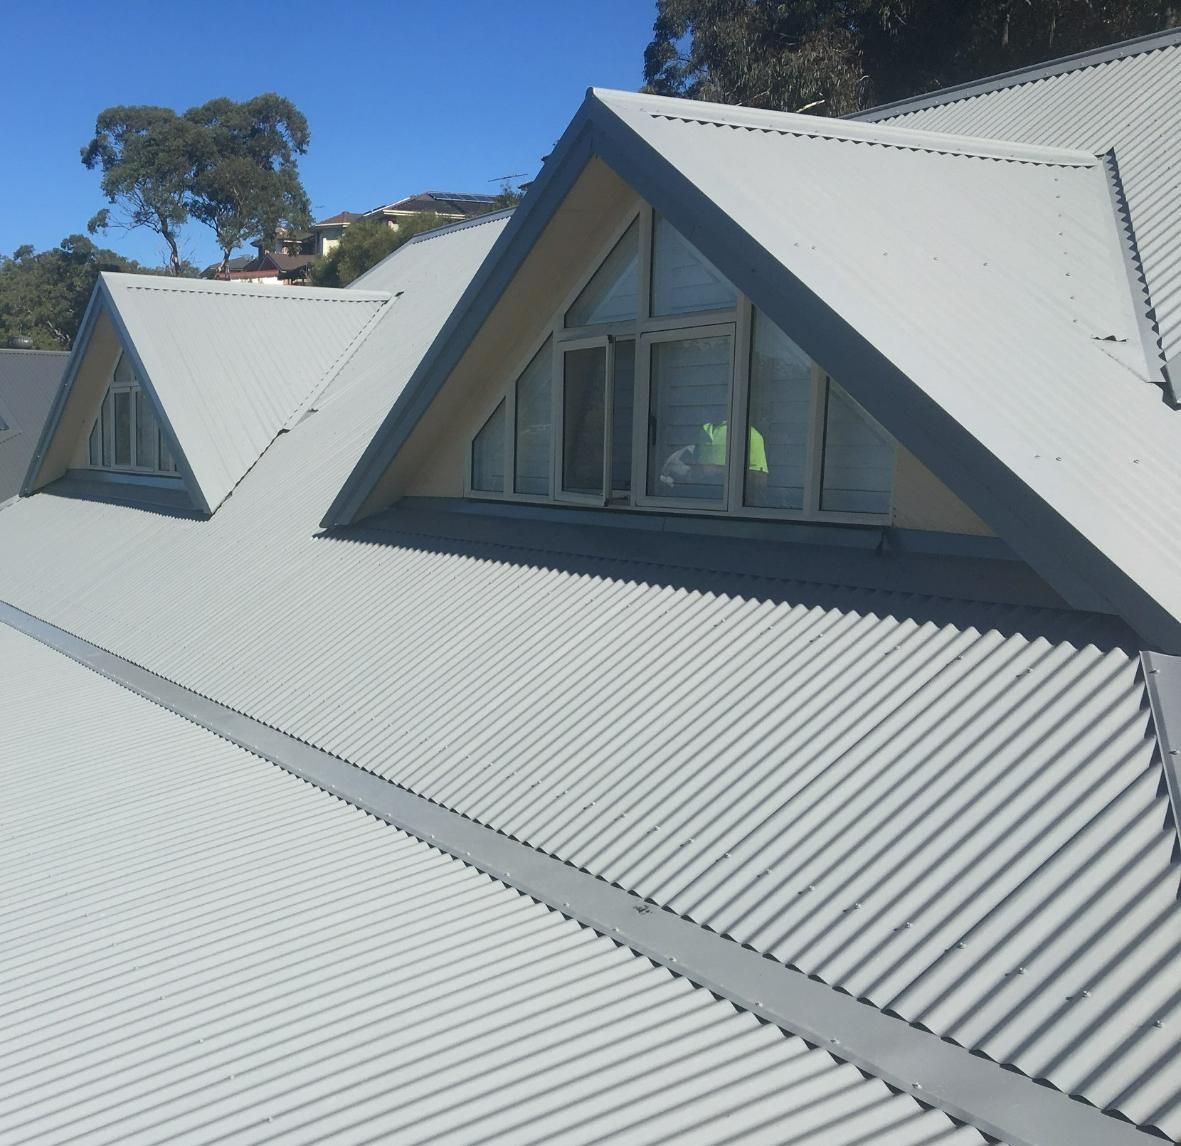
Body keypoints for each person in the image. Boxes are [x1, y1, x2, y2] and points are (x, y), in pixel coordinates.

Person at [660, 420, 768, 495]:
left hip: (729, 506)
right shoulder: (705, 429)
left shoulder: (750, 435)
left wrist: (711, 470)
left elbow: (760, 480)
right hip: (699, 502)